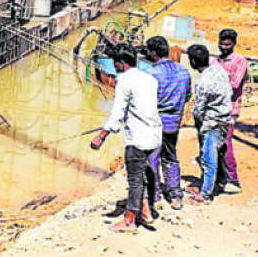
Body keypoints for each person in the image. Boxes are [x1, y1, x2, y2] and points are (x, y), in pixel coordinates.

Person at [91, 44, 162, 233]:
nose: (114, 67)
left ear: (121, 63)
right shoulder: (150, 79)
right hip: (155, 136)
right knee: (143, 175)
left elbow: (117, 114)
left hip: (138, 138)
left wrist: (101, 136)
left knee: (135, 180)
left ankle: (129, 220)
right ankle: (145, 211)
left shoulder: (124, 81)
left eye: (115, 63)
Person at [143, 35, 190, 208]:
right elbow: (187, 96)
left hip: (155, 124)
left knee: (152, 159)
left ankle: (155, 197)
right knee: (170, 157)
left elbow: (144, 101)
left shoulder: (150, 74)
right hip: (173, 123)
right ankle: (175, 195)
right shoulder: (183, 72)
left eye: (148, 50)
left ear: (153, 53)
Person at [186, 44, 233, 205]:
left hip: (212, 122)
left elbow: (199, 110)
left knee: (208, 157)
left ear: (192, 61)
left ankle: (206, 194)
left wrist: (196, 121)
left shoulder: (202, 82)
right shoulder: (219, 70)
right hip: (225, 118)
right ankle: (212, 184)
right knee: (216, 154)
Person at [215, 28, 248, 194]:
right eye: (221, 44)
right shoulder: (217, 60)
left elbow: (234, 86)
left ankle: (233, 180)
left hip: (229, 108)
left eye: (227, 45)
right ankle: (220, 178)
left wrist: (214, 88)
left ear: (234, 44)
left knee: (226, 144)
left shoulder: (239, 60)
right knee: (215, 145)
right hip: (215, 108)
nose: (224, 47)